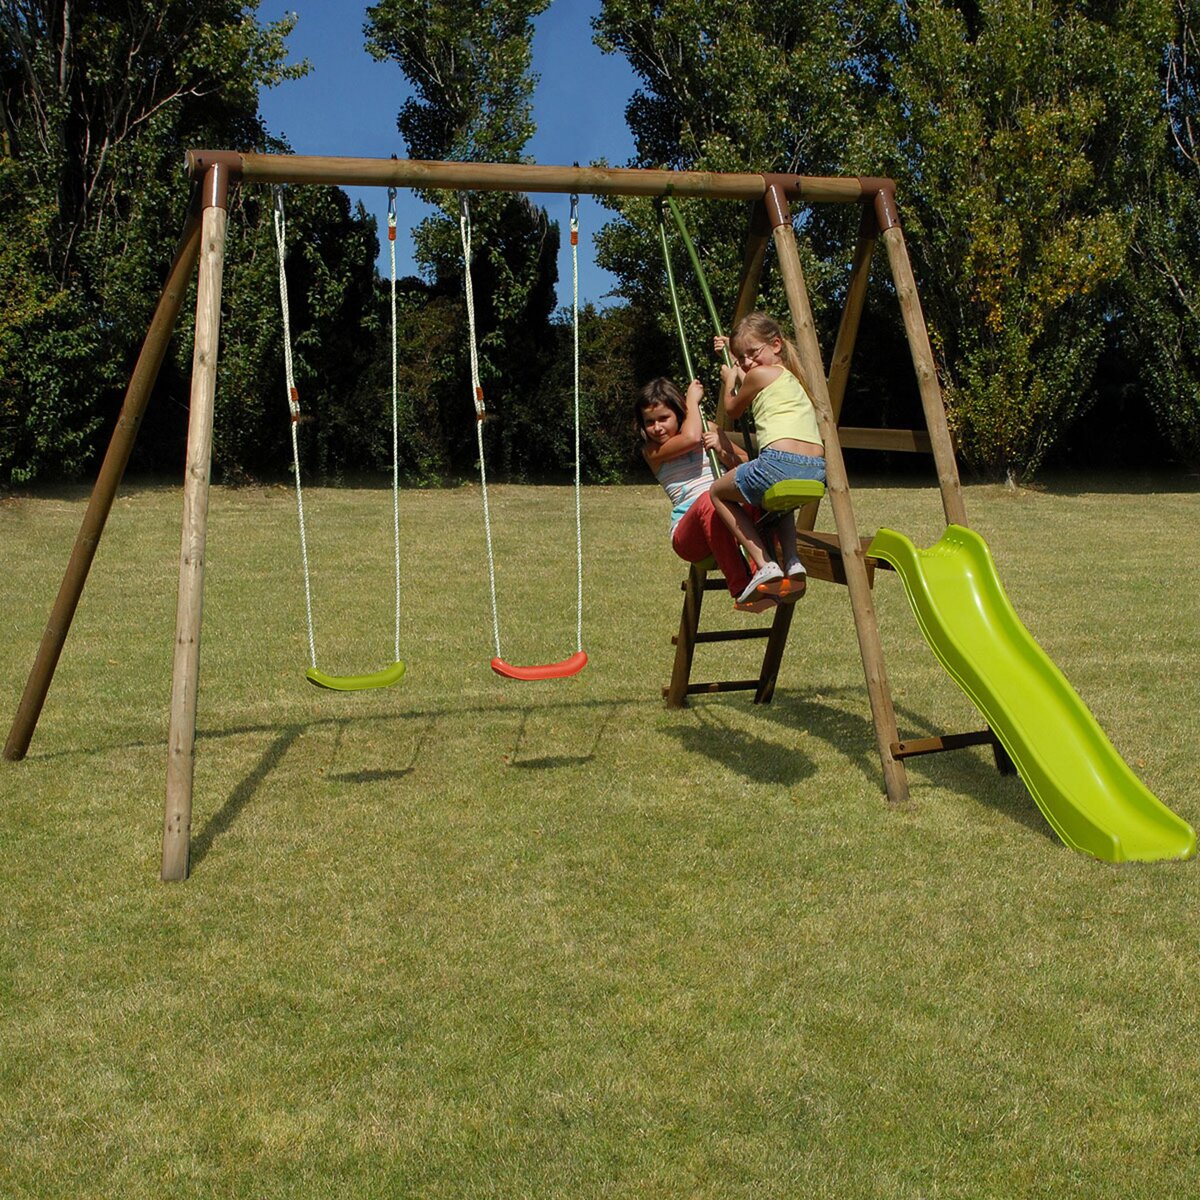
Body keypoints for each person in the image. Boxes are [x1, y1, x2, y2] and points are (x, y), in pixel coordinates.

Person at [709, 312, 826, 605]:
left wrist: (729, 379)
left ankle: (764, 564)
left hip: (778, 463)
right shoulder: (791, 376)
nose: (748, 362)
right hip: (816, 470)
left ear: (776, 345)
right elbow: (751, 366)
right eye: (742, 357)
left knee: (717, 493)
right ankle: (793, 560)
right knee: (777, 501)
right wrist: (734, 351)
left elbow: (733, 408)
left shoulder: (757, 375)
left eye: (753, 353)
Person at [635, 376, 774, 613]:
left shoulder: (707, 428)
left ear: (678, 413)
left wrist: (721, 452)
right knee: (711, 497)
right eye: (649, 422)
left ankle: (768, 573)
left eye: (663, 418)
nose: (657, 428)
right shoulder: (652, 450)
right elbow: (690, 438)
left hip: (727, 518)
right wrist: (692, 401)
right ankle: (741, 588)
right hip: (689, 536)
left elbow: (746, 464)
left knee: (753, 496)